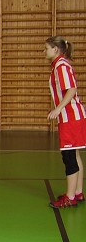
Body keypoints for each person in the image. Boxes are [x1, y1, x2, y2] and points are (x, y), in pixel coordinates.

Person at [46, 36, 86, 208]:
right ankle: (77, 192)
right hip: (74, 116)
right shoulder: (61, 64)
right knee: (75, 155)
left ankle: (70, 197)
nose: (44, 51)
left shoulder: (61, 66)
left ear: (56, 49)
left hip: (70, 117)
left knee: (69, 156)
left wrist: (58, 108)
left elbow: (71, 90)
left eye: (46, 48)